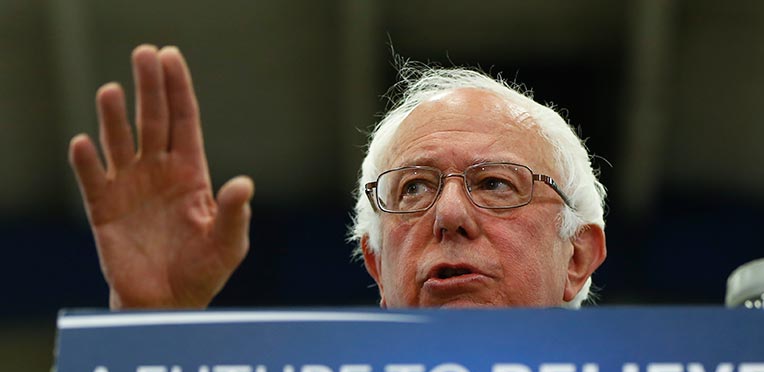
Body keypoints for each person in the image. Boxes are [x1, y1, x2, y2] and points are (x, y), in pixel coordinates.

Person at [69, 45, 608, 309]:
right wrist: (148, 331)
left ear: (578, 255)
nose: (448, 216)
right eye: (413, 188)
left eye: (494, 184)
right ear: (376, 262)